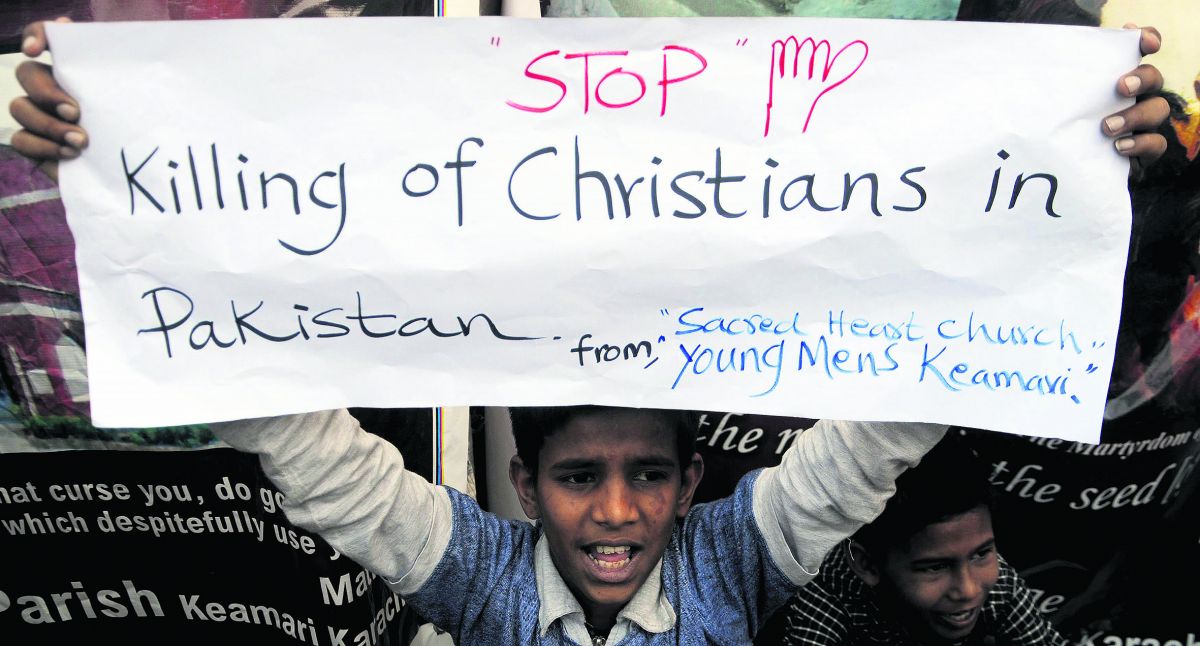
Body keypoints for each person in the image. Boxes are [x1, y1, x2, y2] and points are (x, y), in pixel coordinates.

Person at [5, 18, 1171, 646]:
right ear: (524, 481)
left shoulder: (736, 560)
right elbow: (323, 464)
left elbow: (873, 444)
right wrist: (110, 161)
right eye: (578, 476)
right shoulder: (479, 573)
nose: (615, 512)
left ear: (692, 481)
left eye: (648, 474)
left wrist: (1076, 157)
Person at [781, 436, 1063, 646]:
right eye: (935, 567)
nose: (967, 590)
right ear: (867, 565)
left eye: (981, 553)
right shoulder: (830, 592)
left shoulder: (997, 586)